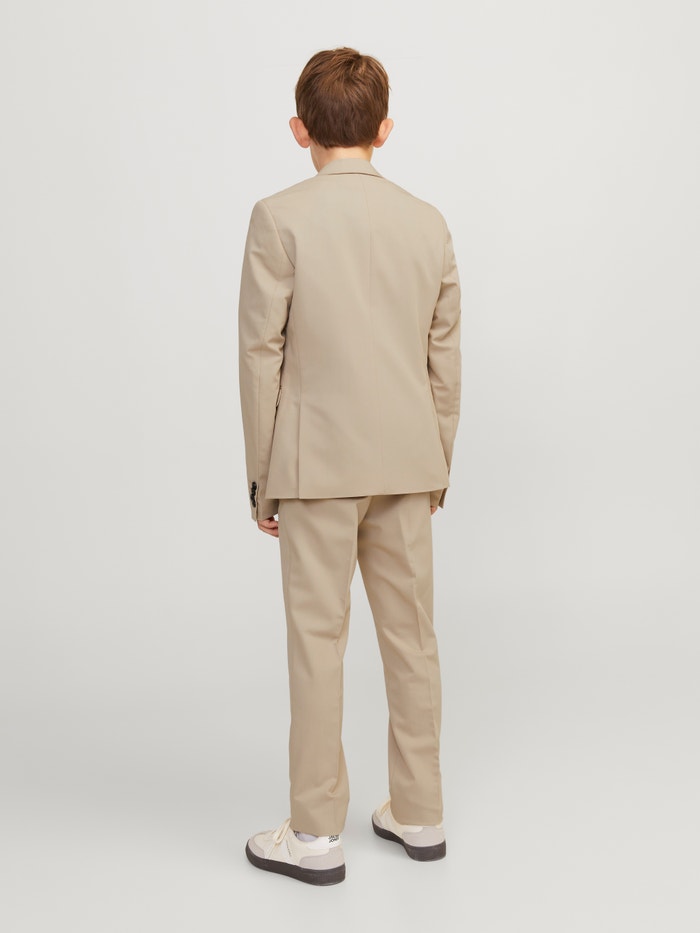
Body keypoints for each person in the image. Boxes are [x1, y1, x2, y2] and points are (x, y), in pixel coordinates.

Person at [237, 47, 461, 886]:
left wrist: (263, 474)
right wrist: (437, 464)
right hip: (406, 462)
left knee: (317, 644)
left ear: (300, 129)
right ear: (385, 129)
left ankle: (314, 833)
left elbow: (261, 353)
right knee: (413, 639)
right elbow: (445, 358)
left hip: (315, 464)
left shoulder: (279, 217)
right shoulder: (427, 222)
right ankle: (422, 812)